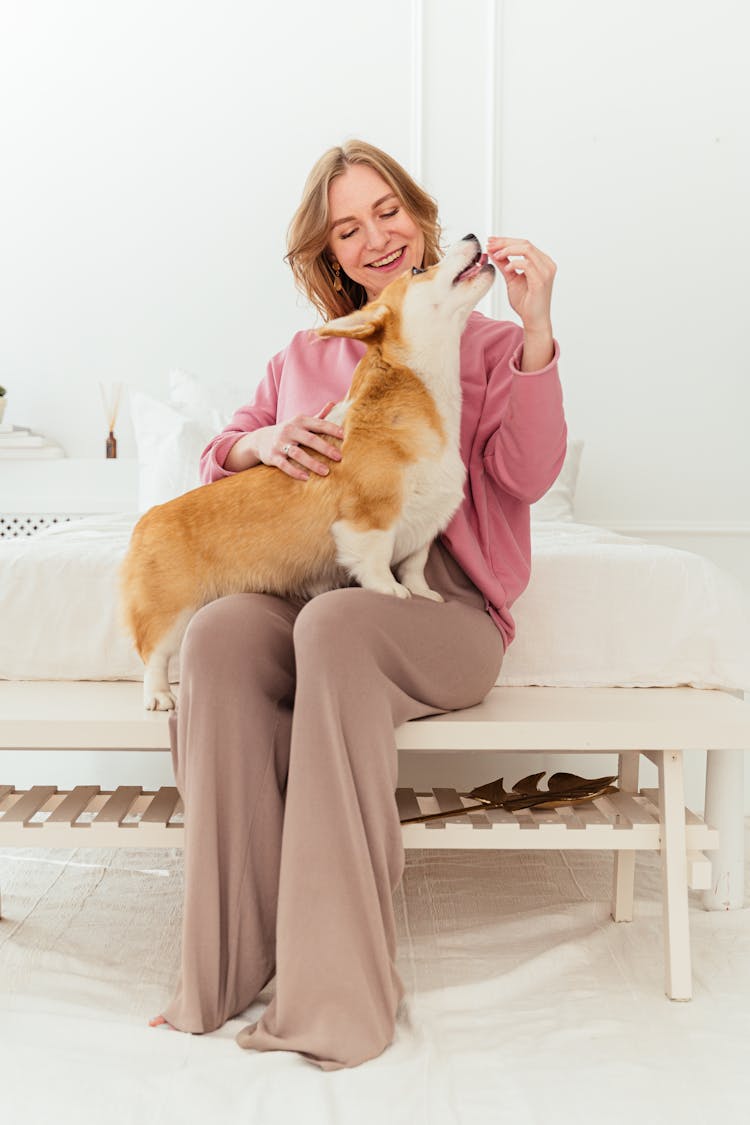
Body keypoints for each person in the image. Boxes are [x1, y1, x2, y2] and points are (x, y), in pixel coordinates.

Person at [148, 138, 567, 1070]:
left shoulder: (490, 343)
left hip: (441, 613)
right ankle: (220, 965)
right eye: (348, 227)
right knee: (217, 634)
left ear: (417, 217)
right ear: (329, 254)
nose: (374, 236)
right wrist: (258, 447)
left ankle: (333, 992)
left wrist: (536, 328)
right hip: (318, 588)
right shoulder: (306, 355)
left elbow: (528, 474)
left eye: (387, 211)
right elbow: (222, 450)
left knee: (336, 625)